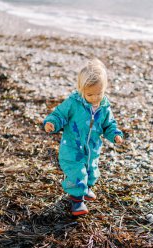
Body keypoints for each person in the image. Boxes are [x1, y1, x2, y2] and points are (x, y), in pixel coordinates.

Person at [43, 58, 123, 216]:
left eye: (99, 93)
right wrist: (52, 123)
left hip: (92, 148)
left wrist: (114, 135)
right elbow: (59, 115)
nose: (94, 97)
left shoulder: (104, 107)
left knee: (91, 170)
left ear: (105, 89)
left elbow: (109, 125)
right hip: (72, 148)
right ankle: (77, 201)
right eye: (90, 94)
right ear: (81, 89)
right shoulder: (73, 103)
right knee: (76, 173)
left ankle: (86, 188)